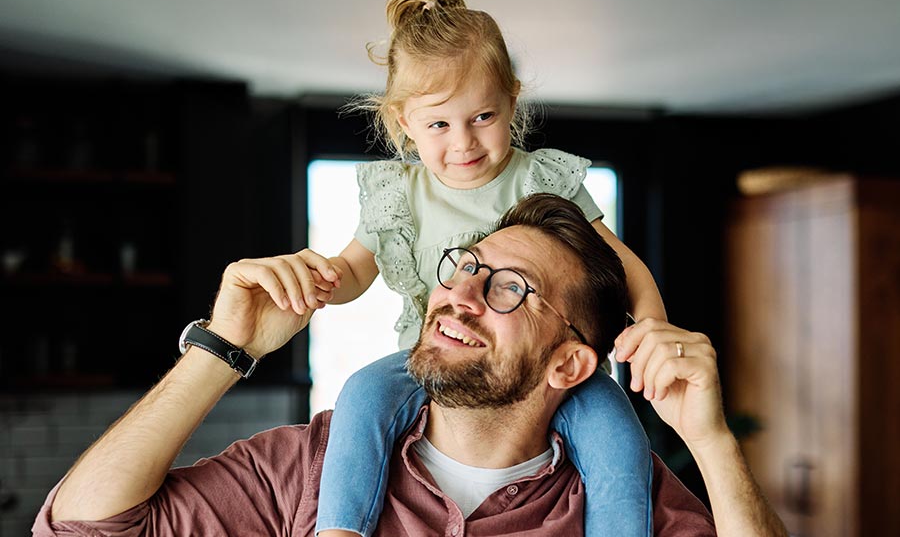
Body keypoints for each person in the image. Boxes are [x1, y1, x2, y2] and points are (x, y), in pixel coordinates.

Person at [33, 193, 788, 536]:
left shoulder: (628, 500)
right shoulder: (306, 469)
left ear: (568, 364)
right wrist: (224, 351)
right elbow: (82, 528)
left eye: (508, 288)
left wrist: (713, 444)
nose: (457, 293)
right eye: (465, 266)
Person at [295, 0, 667, 537]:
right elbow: (354, 269)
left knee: (617, 434)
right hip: (429, 359)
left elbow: (623, 264)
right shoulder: (399, 193)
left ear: (512, 101)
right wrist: (321, 280)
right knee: (361, 396)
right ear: (403, 122)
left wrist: (651, 326)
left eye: (483, 116)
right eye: (438, 125)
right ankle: (340, 528)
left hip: (543, 362)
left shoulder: (538, 179)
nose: (464, 142)